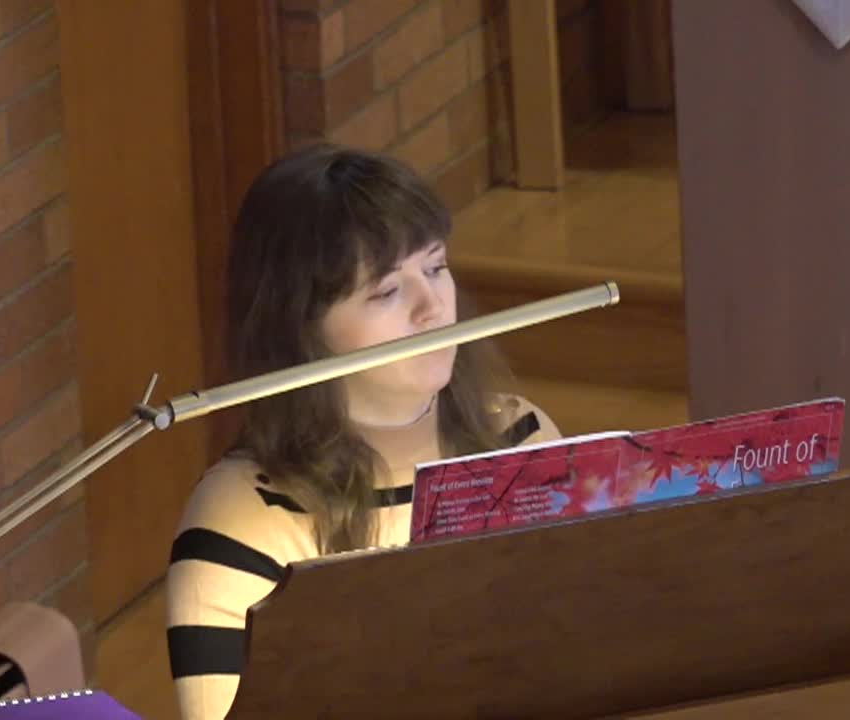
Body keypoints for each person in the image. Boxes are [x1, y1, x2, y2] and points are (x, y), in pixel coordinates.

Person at [164, 143, 561, 719]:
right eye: (386, 291)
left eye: (436, 268)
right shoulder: (240, 521)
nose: (431, 308)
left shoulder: (520, 437)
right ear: (303, 328)